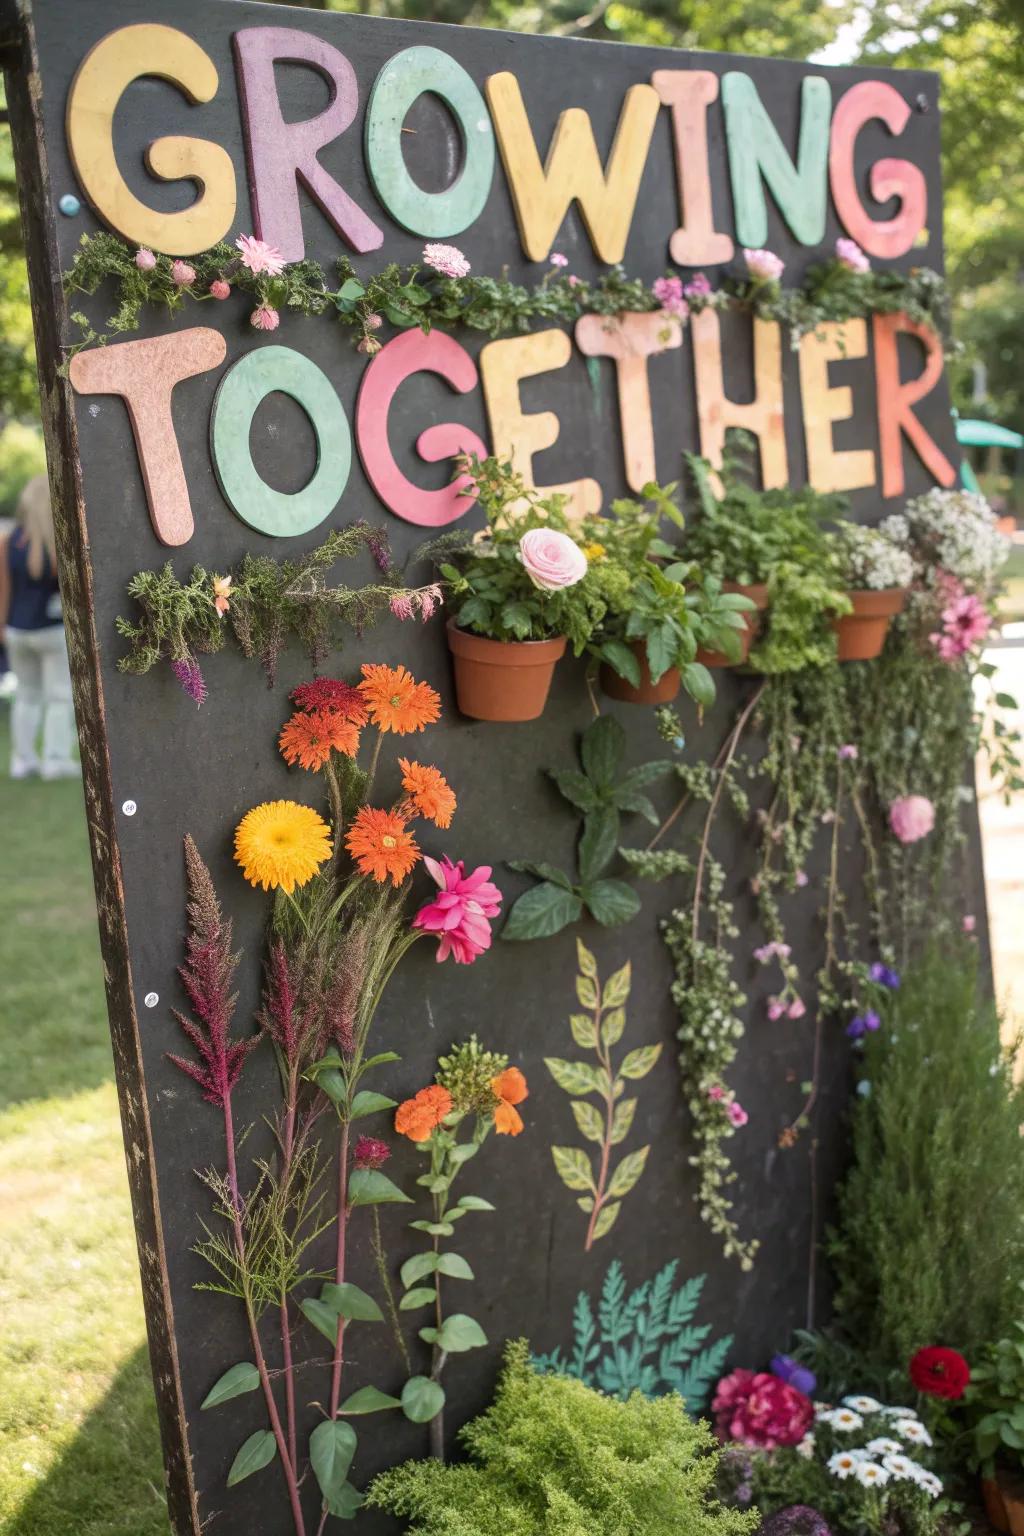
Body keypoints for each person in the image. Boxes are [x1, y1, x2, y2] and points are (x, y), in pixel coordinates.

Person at [0, 474, 77, 779]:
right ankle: (55, 760)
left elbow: (3, 590)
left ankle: (23, 760)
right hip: (52, 631)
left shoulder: (9, 541)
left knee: (27, 696)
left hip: (18, 630)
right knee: (59, 697)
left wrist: (3, 626)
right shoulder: (60, 538)